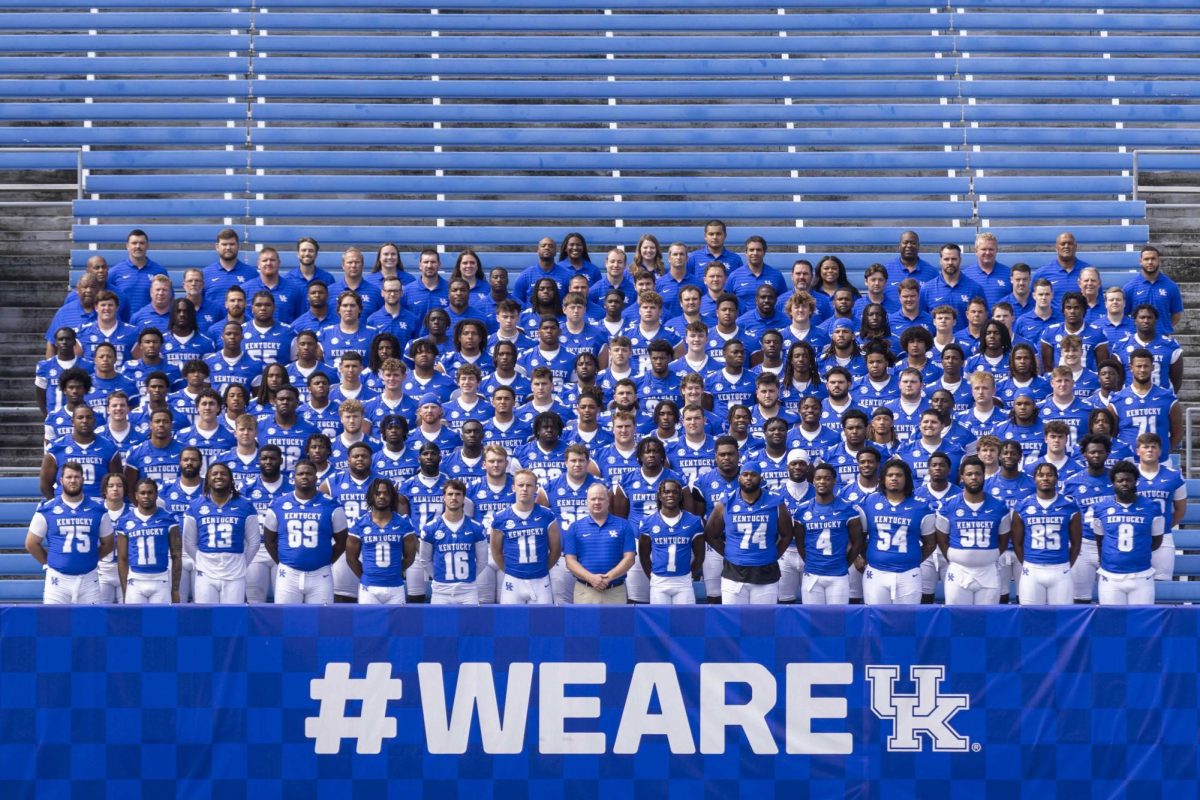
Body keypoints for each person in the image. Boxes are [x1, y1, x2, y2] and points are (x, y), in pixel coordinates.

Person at [703, 465, 794, 605]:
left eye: (753, 474)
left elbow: (787, 534)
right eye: (745, 474)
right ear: (739, 477)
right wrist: (728, 553)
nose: (749, 478)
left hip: (766, 570)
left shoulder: (776, 502)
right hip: (734, 570)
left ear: (761, 478)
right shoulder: (727, 501)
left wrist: (773, 554)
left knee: (763, 621)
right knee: (733, 621)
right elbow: (710, 534)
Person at [25, 462, 114, 604]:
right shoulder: (47, 509)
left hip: (89, 578)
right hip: (58, 580)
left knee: (90, 624)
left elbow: (108, 543)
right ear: (61, 480)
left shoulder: (98, 509)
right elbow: (31, 543)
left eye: (77, 477)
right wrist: (50, 562)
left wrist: (90, 558)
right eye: (69, 477)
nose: (73, 480)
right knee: (55, 624)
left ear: (83, 479)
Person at [262, 459, 348, 604]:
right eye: (300, 473)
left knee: (321, 621)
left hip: (321, 574)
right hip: (288, 573)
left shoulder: (332, 505)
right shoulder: (278, 505)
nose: (304, 477)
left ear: (316, 477)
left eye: (309, 473)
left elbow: (341, 542)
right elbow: (269, 541)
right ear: (293, 477)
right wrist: (284, 561)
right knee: (286, 619)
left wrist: (325, 561)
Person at [935, 456, 1012, 605]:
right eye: (969, 474)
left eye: (978, 474)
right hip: (958, 570)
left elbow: (1003, 539)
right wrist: (956, 556)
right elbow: (941, 538)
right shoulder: (948, 506)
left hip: (988, 570)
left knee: (988, 620)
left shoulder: (999, 507)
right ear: (962, 477)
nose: (974, 477)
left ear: (984, 476)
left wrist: (989, 556)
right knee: (957, 618)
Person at [182, 461, 260, 604]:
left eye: (223, 474)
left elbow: (254, 542)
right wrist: (201, 560)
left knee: (232, 617)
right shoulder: (195, 506)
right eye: (214, 474)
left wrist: (242, 562)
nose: (219, 476)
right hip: (205, 570)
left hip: (235, 571)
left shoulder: (246, 505)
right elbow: (189, 542)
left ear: (231, 479)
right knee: (206, 616)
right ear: (208, 479)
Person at [1088, 461, 1164, 605]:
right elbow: (1100, 540)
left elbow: (1156, 541)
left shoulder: (1152, 507)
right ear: (1113, 483)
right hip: (1110, 575)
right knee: (1112, 623)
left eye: (1128, 480)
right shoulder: (1100, 508)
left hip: (1141, 575)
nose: (1124, 483)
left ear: (1136, 482)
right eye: (1120, 480)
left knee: (1141, 622)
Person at [861, 460, 937, 605]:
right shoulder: (868, 502)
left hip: (908, 573)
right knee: (876, 618)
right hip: (876, 572)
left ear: (907, 479)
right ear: (883, 479)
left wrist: (912, 559)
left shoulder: (921, 506)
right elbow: (859, 538)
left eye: (899, 475)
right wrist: (871, 557)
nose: (894, 478)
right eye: (890, 475)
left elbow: (930, 543)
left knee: (906, 622)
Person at [794, 462, 865, 605]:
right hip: (812, 573)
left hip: (838, 575)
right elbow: (800, 543)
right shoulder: (802, 510)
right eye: (818, 478)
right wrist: (812, 562)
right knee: (813, 619)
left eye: (827, 478)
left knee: (837, 620)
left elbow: (857, 542)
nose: (822, 482)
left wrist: (845, 563)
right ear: (813, 481)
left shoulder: (848, 509)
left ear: (834, 481)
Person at [1011, 463, 1081, 606]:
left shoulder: (1069, 506)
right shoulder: (1023, 505)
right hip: (1032, 569)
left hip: (1060, 568)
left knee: (1063, 617)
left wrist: (1066, 564)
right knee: (1030, 617)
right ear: (1034, 479)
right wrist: (1028, 563)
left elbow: (1076, 543)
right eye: (1041, 475)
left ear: (1056, 478)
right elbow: (1017, 543)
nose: (1045, 478)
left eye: (1049, 475)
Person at [490, 470, 560, 605]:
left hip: (540, 579)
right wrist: (511, 570)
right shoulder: (501, 518)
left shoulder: (547, 515)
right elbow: (496, 552)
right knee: (511, 623)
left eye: (529, 485)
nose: (524, 489)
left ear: (536, 488)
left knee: (543, 623)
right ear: (513, 487)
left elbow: (555, 550)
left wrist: (542, 569)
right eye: (520, 485)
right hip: (513, 580)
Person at [562, 483, 638, 604]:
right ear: (587, 502)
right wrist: (590, 578)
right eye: (593, 499)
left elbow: (630, 558)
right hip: (585, 591)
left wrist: (607, 578)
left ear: (608, 501)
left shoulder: (624, 525)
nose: (597, 502)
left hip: (615, 591)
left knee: (616, 624)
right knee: (585, 623)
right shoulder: (575, 527)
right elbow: (570, 561)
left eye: (601, 498)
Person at [345, 477, 417, 605]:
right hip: (368, 587)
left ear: (392, 497)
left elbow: (410, 557)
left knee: (397, 625)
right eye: (378, 493)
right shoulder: (359, 523)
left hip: (395, 586)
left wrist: (394, 572)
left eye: (386, 493)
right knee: (368, 625)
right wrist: (367, 576)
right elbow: (351, 559)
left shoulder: (403, 523)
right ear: (371, 496)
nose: (382, 496)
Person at [418, 479, 488, 605]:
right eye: (450, 494)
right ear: (443, 497)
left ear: (464, 498)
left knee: (469, 625)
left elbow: (482, 561)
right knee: (440, 625)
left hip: (468, 591)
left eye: (458, 494)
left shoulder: (476, 528)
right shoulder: (430, 528)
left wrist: (468, 578)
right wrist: (439, 577)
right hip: (441, 592)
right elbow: (425, 560)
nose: (454, 498)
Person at [636, 479, 704, 605]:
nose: (670, 495)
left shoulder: (693, 521)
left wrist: (689, 575)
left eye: (674, 492)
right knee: (660, 623)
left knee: (685, 622)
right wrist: (653, 577)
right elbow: (644, 556)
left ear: (680, 496)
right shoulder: (648, 522)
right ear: (659, 496)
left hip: (683, 581)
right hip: (659, 581)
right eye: (666, 492)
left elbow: (700, 555)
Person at [116, 478, 182, 604]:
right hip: (135, 580)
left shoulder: (169, 519)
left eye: (150, 492)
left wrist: (175, 590)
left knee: (160, 623)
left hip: (160, 579)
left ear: (156, 494)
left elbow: (176, 556)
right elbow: (122, 558)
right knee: (135, 622)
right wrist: (125, 589)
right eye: (142, 493)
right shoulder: (125, 521)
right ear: (136, 495)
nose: (146, 496)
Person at [1134, 432, 1187, 583]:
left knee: (1162, 583)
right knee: (1137, 582)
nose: (1150, 450)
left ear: (1160, 451)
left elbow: (1180, 510)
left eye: (1153, 447)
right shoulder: (1129, 475)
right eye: (1145, 447)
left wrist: (1164, 526)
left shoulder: (1174, 476)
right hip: (1137, 535)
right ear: (1138, 451)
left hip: (1164, 537)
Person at [41, 404, 122, 500]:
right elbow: (45, 485)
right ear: (72, 422)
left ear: (94, 421)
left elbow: (116, 482)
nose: (85, 421)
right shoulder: (56, 448)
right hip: (66, 505)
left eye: (88, 417)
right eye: (80, 417)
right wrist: (59, 504)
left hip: (99, 506)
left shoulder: (109, 447)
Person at [1122, 245, 1183, 335]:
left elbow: (1177, 314)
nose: (1150, 262)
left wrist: (1164, 328)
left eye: (1153, 259)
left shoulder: (1171, 286)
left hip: (1162, 339)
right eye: (1146, 259)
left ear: (1159, 261)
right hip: (1137, 340)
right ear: (1140, 262)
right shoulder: (1130, 288)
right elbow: (1123, 314)